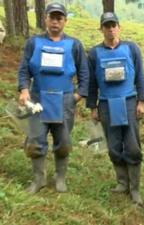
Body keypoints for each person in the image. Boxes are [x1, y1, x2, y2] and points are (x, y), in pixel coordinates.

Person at [17, 2, 89, 194]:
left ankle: (60, 178)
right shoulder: (33, 43)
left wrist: (78, 95)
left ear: (65, 21)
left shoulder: (74, 45)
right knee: (35, 141)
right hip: (38, 98)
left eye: (59, 18)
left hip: (65, 100)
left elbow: (84, 72)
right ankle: (38, 179)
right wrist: (24, 90)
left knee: (64, 142)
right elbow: (24, 70)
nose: (55, 21)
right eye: (52, 17)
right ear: (45, 19)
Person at [86, 12, 144, 206]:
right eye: (106, 26)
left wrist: (142, 101)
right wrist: (92, 106)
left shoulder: (132, 48)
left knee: (132, 146)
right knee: (113, 146)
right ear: (101, 29)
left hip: (129, 102)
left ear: (119, 27)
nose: (110, 28)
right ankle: (122, 182)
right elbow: (92, 82)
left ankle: (135, 189)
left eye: (113, 25)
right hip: (105, 105)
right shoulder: (94, 53)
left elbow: (140, 77)